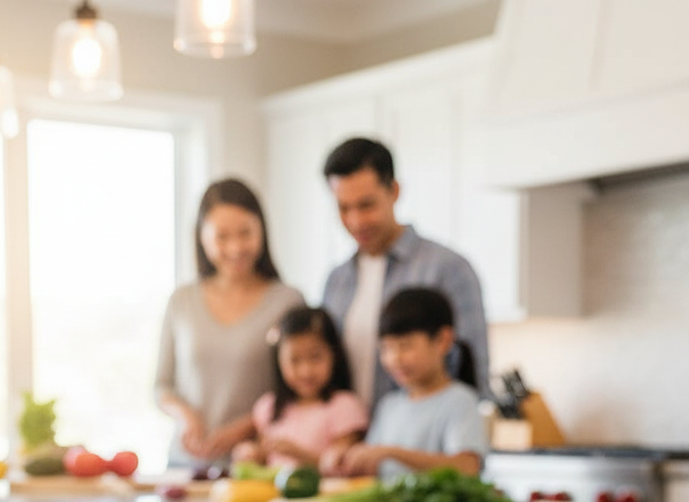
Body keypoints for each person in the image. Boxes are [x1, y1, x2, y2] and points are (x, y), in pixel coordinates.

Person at [320, 137, 490, 411]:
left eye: (366, 205)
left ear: (394, 191)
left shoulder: (448, 269)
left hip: (422, 446)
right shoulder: (336, 281)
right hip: (353, 447)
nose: (356, 221)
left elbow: (472, 376)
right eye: (343, 208)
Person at [155, 178, 304, 466]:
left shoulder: (288, 301)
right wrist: (186, 417)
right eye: (222, 237)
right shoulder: (181, 301)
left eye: (245, 233)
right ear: (202, 237)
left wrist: (245, 427)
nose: (236, 248)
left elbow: (299, 390)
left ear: (262, 231)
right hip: (185, 464)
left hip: (256, 464)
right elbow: (162, 386)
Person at [324, 287, 488, 481]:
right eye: (386, 348)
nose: (394, 358)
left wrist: (392, 453)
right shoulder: (389, 405)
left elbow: (468, 467)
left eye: (405, 346)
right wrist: (345, 456)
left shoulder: (459, 401)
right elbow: (372, 464)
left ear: (443, 341)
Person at [232, 306, 368, 468]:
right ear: (279, 361)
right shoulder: (269, 406)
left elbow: (343, 466)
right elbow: (263, 457)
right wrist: (250, 453)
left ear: (334, 355)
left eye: (315, 357)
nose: (306, 371)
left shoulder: (344, 407)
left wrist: (299, 454)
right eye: (294, 360)